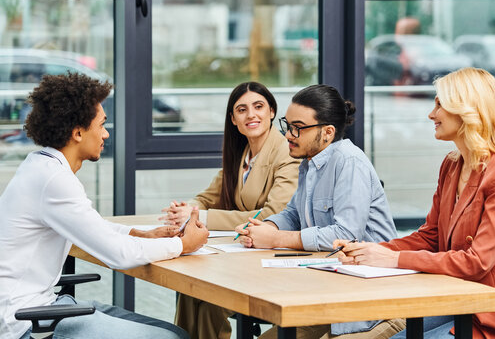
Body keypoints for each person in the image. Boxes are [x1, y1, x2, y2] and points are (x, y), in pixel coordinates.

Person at [0, 73, 209, 339]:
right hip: (26, 323)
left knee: (172, 331)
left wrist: (139, 234)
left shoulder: (41, 166)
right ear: (77, 132)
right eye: (101, 125)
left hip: (45, 308)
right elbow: (117, 255)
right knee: (172, 338)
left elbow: (94, 226)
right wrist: (184, 245)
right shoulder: (53, 180)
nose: (106, 133)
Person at [336, 67, 495, 338]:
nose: (431, 114)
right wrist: (367, 252)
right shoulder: (452, 164)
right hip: (461, 298)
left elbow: (477, 261)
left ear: (466, 109)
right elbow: (430, 236)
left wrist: (393, 259)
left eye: (439, 104)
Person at [236, 84, 404, 339]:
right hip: (330, 297)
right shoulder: (309, 162)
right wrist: (265, 228)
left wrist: (277, 239)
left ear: (327, 132)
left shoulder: (349, 162)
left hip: (373, 304)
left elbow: (346, 235)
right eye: (287, 125)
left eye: (297, 128)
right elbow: (292, 213)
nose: (288, 135)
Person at [166, 81, 300, 339]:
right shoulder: (242, 153)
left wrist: (202, 217)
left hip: (272, 260)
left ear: (272, 111)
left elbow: (272, 214)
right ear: (233, 119)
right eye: (242, 110)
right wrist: (188, 210)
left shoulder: (285, 152)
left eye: (258, 106)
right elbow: (208, 196)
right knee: (190, 292)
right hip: (242, 256)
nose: (251, 115)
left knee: (209, 305)